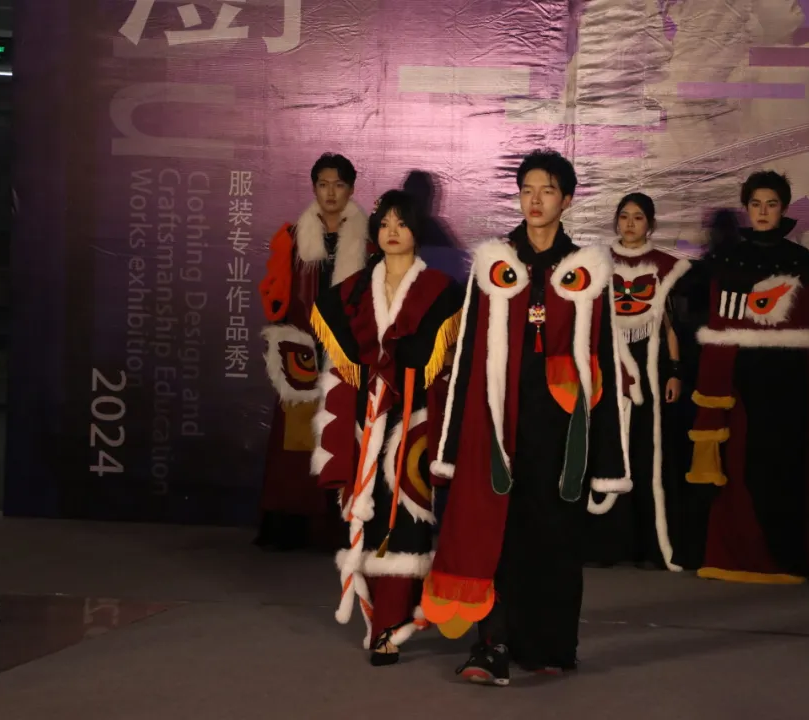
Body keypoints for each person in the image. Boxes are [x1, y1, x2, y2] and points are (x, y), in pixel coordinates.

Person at [422, 150, 631, 685]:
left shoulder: (587, 269)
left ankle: (548, 645)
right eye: (527, 190)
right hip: (499, 424)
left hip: (560, 429)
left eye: (547, 190)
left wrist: (608, 457)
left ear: (567, 199)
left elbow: (604, 362)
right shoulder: (495, 264)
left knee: (554, 535)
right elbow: (469, 354)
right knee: (495, 532)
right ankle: (490, 645)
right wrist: (451, 446)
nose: (535, 200)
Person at [311, 189, 463, 664]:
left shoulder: (442, 290)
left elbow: (451, 363)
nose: (392, 232)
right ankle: (377, 617)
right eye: (384, 224)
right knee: (367, 512)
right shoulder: (354, 291)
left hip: (415, 418)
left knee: (409, 516)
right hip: (366, 416)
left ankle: (391, 624)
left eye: (401, 223)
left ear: (417, 229)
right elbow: (338, 351)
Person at [686, 170, 809, 584]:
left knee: (783, 466)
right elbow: (714, 322)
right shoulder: (727, 261)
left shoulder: (802, 261)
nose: (763, 212)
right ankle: (736, 556)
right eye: (756, 204)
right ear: (746, 209)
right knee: (739, 464)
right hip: (741, 377)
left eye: (771, 204)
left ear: (784, 209)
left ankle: (783, 558)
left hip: (788, 380)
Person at [256, 153, 369, 552]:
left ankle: (339, 528)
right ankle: (290, 526)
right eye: (323, 184)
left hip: (347, 353)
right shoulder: (292, 238)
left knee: (343, 436)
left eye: (338, 184)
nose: (330, 193)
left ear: (351, 189)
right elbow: (275, 294)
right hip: (302, 350)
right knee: (295, 444)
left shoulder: (370, 242)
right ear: (314, 188)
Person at [584, 193, 692, 571]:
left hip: (650, 368)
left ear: (650, 224)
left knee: (648, 451)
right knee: (610, 447)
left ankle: (649, 544)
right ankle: (606, 543)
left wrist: (675, 371)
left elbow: (670, 325)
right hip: (609, 366)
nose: (630, 224)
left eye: (638, 217)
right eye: (624, 216)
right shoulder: (598, 262)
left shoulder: (665, 266)